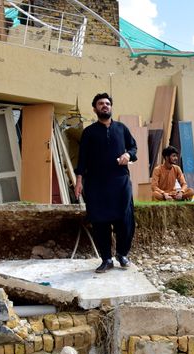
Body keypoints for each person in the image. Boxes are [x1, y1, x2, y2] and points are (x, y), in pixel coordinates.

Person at [75, 93, 137, 273]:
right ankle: (106, 259)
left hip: (120, 182)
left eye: (107, 103)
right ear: (95, 109)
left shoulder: (121, 128)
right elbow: (82, 159)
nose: (105, 106)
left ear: (111, 107)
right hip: (96, 183)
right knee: (100, 221)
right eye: (101, 104)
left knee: (125, 220)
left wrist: (128, 155)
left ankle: (122, 254)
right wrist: (79, 181)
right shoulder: (89, 132)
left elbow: (133, 147)